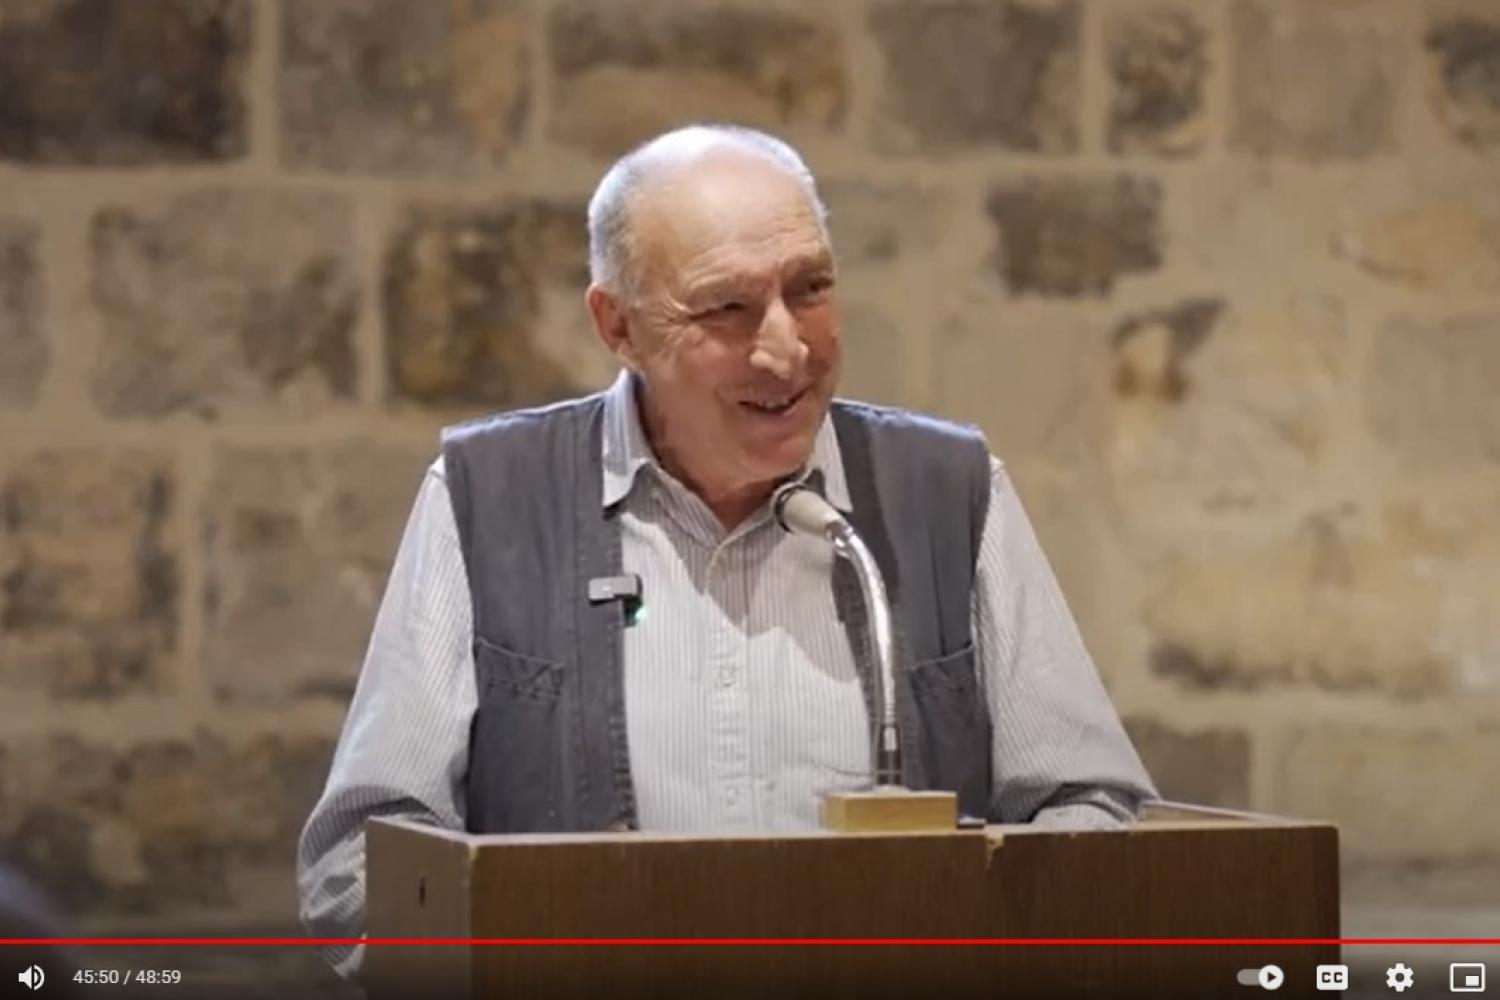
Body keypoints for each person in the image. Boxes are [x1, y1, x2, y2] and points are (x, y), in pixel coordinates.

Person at [297, 124, 1156, 977]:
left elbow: (1092, 805)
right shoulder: (487, 499)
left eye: (810, 288)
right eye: (728, 307)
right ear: (618, 326)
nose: (787, 346)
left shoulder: (948, 493)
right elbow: (358, 868)